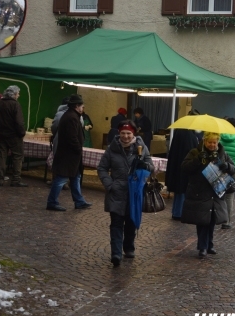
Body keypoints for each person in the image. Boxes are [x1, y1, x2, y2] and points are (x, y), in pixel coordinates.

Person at [97, 121, 154, 267]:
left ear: (133, 133)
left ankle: (129, 247)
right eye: (123, 133)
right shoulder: (112, 148)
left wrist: (145, 166)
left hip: (134, 192)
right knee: (116, 223)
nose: (126, 136)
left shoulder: (141, 148)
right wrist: (110, 184)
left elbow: (151, 167)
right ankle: (116, 253)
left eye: (128, 133)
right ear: (119, 133)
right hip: (116, 191)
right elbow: (102, 168)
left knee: (130, 221)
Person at [181, 132, 235, 257]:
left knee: (212, 220)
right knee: (202, 220)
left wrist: (226, 166)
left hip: (216, 192)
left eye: (214, 142)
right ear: (205, 141)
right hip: (199, 191)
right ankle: (202, 247)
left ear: (217, 142)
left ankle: (209, 244)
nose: (212, 145)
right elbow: (184, 167)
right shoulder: (195, 152)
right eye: (210, 142)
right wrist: (198, 159)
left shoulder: (223, 154)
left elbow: (234, 169)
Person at [46, 94, 93, 211]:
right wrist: (78, 149)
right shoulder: (71, 117)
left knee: (76, 177)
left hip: (70, 155)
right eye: (82, 106)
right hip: (68, 155)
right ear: (77, 106)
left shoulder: (72, 115)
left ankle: (79, 201)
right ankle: (52, 202)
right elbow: (72, 137)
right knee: (61, 178)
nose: (83, 108)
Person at [165, 128, 199, 220]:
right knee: (183, 190)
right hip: (186, 168)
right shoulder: (190, 136)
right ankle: (180, 212)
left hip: (177, 167)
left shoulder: (179, 133)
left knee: (179, 191)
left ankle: (176, 212)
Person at [0, 85, 26, 187]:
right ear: (14, 94)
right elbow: (19, 122)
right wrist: (22, 133)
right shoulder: (15, 104)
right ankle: (16, 180)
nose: (18, 95)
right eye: (18, 93)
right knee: (17, 156)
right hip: (14, 136)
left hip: (0, 135)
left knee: (1, 156)